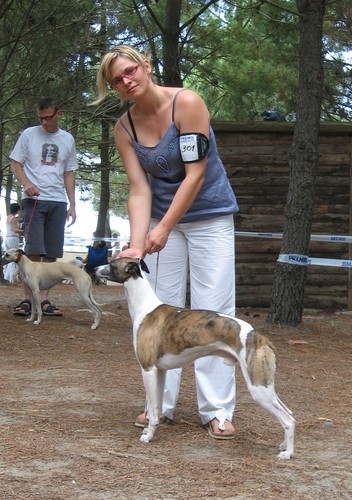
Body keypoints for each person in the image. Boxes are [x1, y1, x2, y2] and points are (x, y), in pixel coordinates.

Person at [93, 45, 239, 439]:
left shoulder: (187, 103)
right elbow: (139, 190)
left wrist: (162, 230)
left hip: (208, 215)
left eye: (129, 71)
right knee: (158, 309)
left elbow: (194, 175)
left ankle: (217, 409)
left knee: (215, 309)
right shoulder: (124, 128)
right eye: (116, 80)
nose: (126, 81)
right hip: (160, 219)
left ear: (146, 66)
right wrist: (140, 242)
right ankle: (161, 408)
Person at [10, 97, 77, 316]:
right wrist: (26, 183)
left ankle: (45, 301)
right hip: (34, 199)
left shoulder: (67, 139)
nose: (44, 122)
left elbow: (69, 173)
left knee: (50, 252)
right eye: (41, 118)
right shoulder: (29, 134)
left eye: (48, 117)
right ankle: (28, 300)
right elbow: (16, 164)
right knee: (32, 251)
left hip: (58, 201)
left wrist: (72, 204)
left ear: (59, 114)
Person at [4, 202, 23, 282]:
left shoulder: (8, 217)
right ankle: (12, 277)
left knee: (8, 256)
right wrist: (23, 231)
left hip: (7, 238)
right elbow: (15, 230)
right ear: (17, 210)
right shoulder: (14, 219)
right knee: (14, 257)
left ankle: (7, 276)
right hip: (13, 238)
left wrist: (20, 220)